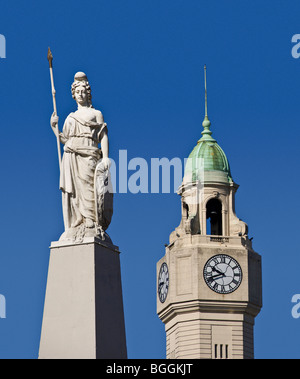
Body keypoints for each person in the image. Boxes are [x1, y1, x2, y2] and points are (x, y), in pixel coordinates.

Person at [50, 72, 113, 242]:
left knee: (89, 187)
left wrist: (106, 157)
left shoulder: (96, 114)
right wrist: (54, 128)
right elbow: (65, 140)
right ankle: (78, 221)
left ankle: (91, 221)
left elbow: (103, 136)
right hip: (71, 155)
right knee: (75, 193)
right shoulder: (70, 117)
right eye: (77, 91)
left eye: (83, 91)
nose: (80, 94)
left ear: (88, 93)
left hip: (90, 154)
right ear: (74, 94)